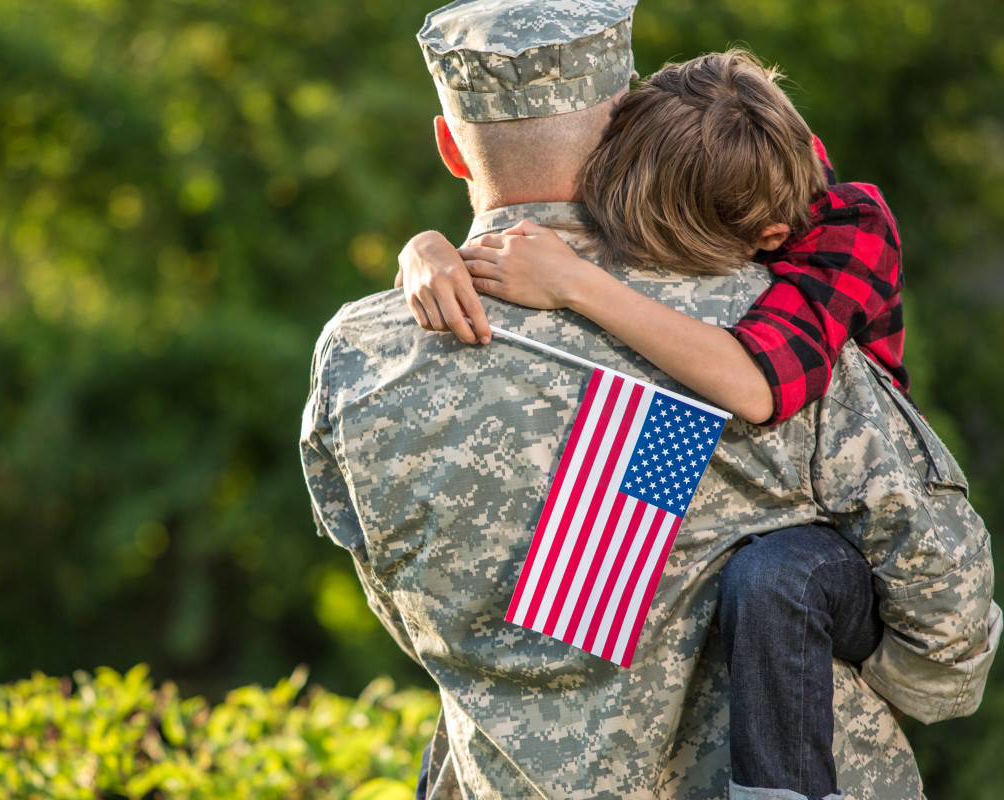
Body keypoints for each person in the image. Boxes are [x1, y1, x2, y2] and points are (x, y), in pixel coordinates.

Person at [300, 2, 998, 799]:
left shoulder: (357, 359)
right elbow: (951, 632)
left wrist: (428, 248)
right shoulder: (755, 313)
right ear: (629, 124)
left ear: (450, 147)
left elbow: (405, 607)